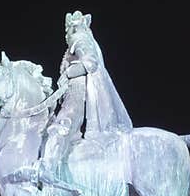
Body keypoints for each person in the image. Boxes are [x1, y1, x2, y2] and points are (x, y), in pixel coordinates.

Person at [40, 11, 133, 178]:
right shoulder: (75, 44)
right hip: (72, 96)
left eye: (67, 29)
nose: (66, 33)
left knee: (59, 129)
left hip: (78, 95)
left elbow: (90, 62)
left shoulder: (79, 38)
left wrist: (67, 73)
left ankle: (48, 174)